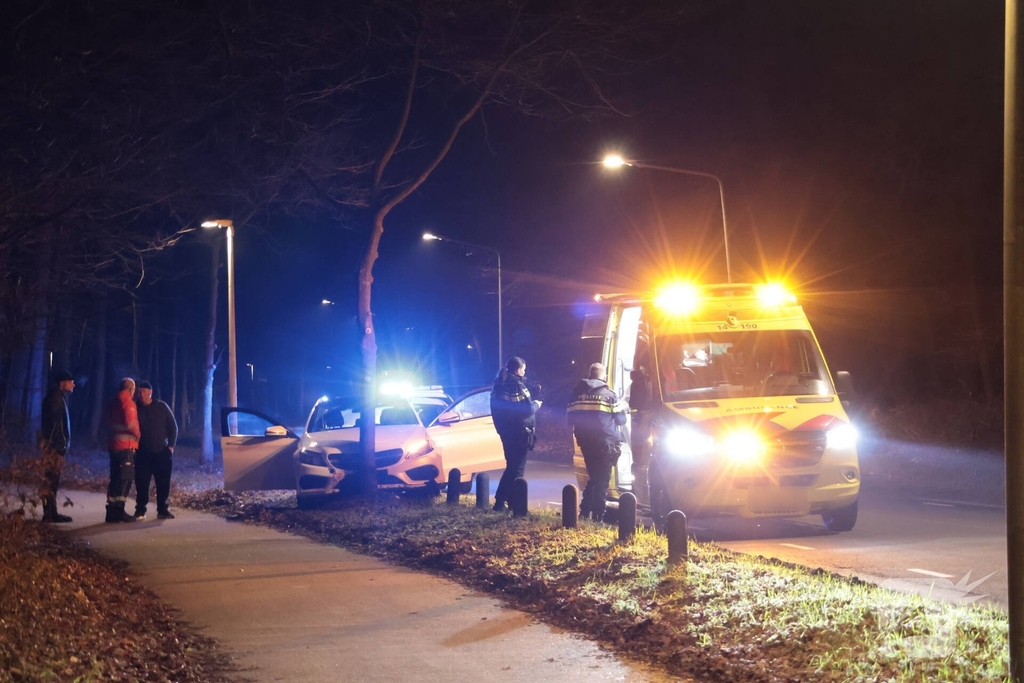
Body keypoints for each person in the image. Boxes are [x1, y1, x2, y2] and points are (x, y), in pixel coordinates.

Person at [567, 362, 628, 522]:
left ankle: (585, 512)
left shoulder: (576, 394)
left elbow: (570, 418)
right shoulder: (609, 395)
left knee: (594, 476)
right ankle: (598, 515)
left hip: (585, 442)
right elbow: (621, 420)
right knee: (602, 479)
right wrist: (621, 406)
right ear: (604, 376)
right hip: (605, 443)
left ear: (589, 375)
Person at [489, 356, 542, 512]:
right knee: (516, 469)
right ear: (518, 369)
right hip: (519, 432)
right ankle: (501, 502)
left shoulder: (499, 384)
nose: (524, 372)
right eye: (523, 369)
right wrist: (537, 403)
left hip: (507, 432)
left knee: (512, 466)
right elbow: (525, 409)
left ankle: (510, 503)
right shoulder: (515, 385)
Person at [133, 381, 178, 520]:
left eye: (144, 392)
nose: (141, 395)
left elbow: (173, 427)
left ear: (150, 393)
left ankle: (162, 509)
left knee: (163, 482)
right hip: (142, 453)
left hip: (161, 452)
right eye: (139, 392)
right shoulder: (135, 408)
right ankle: (140, 510)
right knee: (142, 483)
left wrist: (170, 446)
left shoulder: (161, 407)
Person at [38, 371, 75, 523]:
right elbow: (55, 426)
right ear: (62, 383)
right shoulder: (55, 400)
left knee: (53, 480)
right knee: (51, 479)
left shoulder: (58, 398)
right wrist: (58, 445)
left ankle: (51, 512)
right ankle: (49, 514)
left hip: (54, 446)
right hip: (54, 447)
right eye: (70, 381)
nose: (73, 384)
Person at [103, 377, 140, 523]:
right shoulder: (128, 403)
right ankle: (119, 510)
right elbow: (131, 424)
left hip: (113, 445)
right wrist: (138, 435)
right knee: (125, 478)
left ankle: (111, 511)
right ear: (130, 388)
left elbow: (106, 421)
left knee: (115, 477)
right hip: (126, 446)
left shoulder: (112, 402)